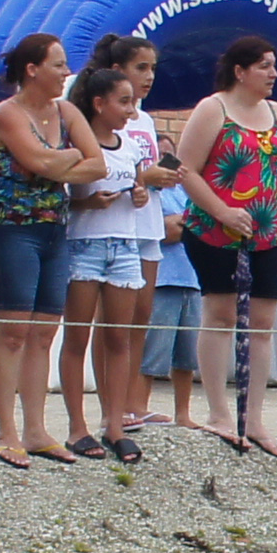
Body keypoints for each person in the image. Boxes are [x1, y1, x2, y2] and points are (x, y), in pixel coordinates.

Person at [173, 34, 277, 456]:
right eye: (264, 66)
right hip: (216, 230)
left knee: (263, 324)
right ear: (240, 71)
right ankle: (219, 411)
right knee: (221, 312)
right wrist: (222, 211)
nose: (273, 74)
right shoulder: (212, 109)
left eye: (274, 65)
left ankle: (253, 417)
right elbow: (186, 169)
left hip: (268, 233)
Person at [0, 35, 85, 466]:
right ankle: (6, 431)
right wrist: (67, 159)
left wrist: (65, 159)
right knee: (13, 332)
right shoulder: (7, 113)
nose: (64, 72)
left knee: (43, 334)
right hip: (12, 229)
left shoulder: (67, 111)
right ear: (32, 69)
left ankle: (36, 428)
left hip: (55, 228)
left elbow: (97, 162)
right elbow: (39, 162)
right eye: (57, 64)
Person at [67, 57, 173, 464]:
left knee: (119, 336)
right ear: (98, 104)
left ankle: (114, 423)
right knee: (78, 338)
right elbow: (68, 196)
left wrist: (140, 193)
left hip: (125, 246)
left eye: (132, 103)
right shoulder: (79, 145)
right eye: (123, 102)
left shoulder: (129, 147)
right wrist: (87, 200)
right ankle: (77, 426)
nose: (131, 111)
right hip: (86, 245)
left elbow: (136, 187)